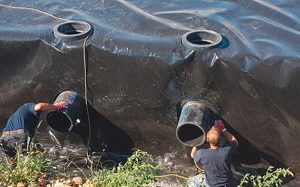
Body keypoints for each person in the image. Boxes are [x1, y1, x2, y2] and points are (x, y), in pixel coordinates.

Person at [0, 102, 67, 157]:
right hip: (20, 136)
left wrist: (43, 152)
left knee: (13, 164)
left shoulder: (16, 118)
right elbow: (40, 106)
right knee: (38, 158)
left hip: (4, 139)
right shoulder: (27, 107)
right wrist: (56, 106)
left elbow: (31, 140)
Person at [191, 120, 239, 187]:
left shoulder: (201, 154)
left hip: (211, 184)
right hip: (227, 184)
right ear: (220, 139)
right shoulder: (226, 152)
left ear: (207, 139)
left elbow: (192, 154)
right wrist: (223, 129)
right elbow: (235, 141)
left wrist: (199, 141)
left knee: (194, 181)